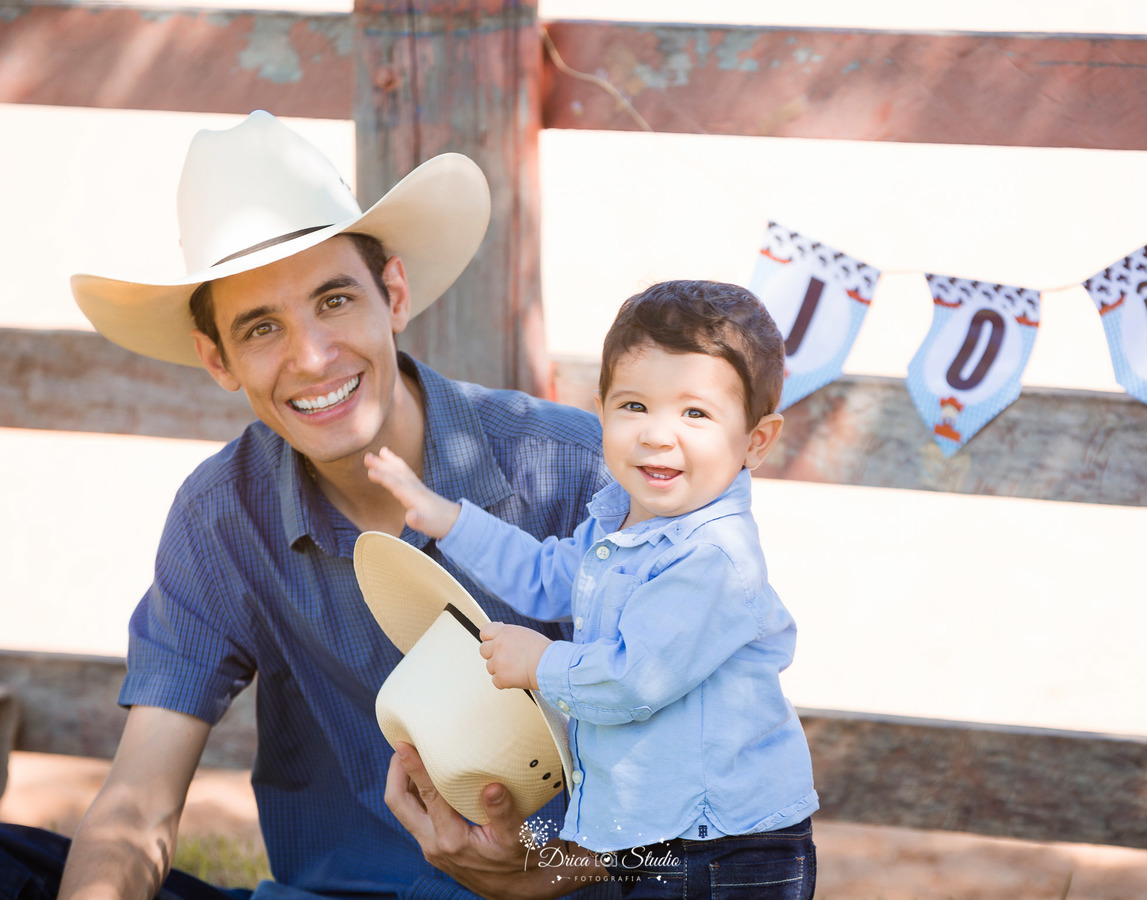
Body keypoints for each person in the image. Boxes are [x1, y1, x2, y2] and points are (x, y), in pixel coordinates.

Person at [0, 110, 620, 900]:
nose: (313, 357)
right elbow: (139, 801)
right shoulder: (222, 517)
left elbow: (722, 790)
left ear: (393, 294)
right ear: (217, 359)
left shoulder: (572, 468)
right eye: (262, 327)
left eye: (333, 301)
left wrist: (559, 869)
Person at [365, 280, 820, 898]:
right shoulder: (618, 524)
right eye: (635, 406)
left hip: (727, 846)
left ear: (755, 441)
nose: (658, 434)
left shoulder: (712, 558)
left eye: (695, 413)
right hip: (656, 834)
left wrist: (542, 664)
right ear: (601, 411)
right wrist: (450, 520)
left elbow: (635, 679)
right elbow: (544, 575)